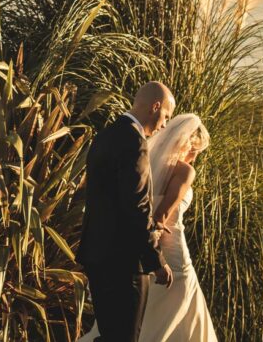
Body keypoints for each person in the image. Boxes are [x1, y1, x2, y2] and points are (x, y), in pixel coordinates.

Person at [80, 113, 218, 342]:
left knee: (135, 312)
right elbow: (162, 215)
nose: (195, 158)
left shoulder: (147, 161)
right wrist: (156, 234)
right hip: (172, 248)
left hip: (139, 247)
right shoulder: (185, 171)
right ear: (189, 144)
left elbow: (133, 205)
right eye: (196, 151)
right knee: (179, 301)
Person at [77, 81, 176, 342]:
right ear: (155, 107)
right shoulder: (134, 142)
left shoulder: (104, 136)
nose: (164, 125)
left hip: (97, 255)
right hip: (123, 262)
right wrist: (156, 260)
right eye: (166, 116)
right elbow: (137, 207)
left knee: (110, 335)